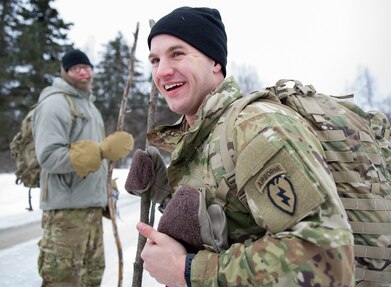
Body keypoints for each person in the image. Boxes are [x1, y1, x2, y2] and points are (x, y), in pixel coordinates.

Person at [134, 7, 354, 286]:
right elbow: (231, 220)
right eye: (154, 60)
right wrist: (163, 192)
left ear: (215, 61)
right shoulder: (201, 135)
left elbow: (327, 259)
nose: (162, 71)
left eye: (177, 53)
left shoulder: (255, 126)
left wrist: (188, 270)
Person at [32, 49, 134, 286]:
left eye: (87, 67)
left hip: (92, 211)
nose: (83, 72)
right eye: (76, 68)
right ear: (65, 72)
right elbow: (48, 156)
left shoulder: (89, 106)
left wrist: (107, 187)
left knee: (91, 277)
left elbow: (91, 158)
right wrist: (100, 152)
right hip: (66, 215)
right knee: (63, 280)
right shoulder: (55, 103)